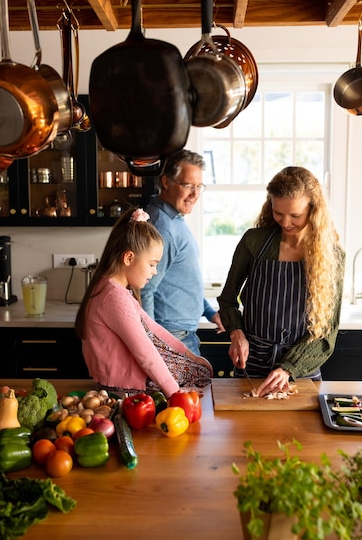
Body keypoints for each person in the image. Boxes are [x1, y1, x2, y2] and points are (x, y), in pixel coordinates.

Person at [217, 166, 345, 397]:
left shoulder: (331, 256)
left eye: (295, 215)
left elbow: (326, 332)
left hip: (301, 370)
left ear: (313, 210)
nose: (285, 222)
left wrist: (289, 368)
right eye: (278, 213)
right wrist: (236, 334)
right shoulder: (254, 242)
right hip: (251, 365)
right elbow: (227, 300)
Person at [75, 207, 212, 398]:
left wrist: (188, 354)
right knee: (201, 378)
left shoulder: (113, 288)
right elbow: (145, 353)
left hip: (123, 383)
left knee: (201, 372)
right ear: (129, 258)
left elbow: (153, 328)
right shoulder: (114, 297)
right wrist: (175, 393)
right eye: (152, 264)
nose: (154, 272)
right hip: (125, 390)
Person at [141, 149, 224, 354]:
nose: (195, 194)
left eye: (198, 186)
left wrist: (210, 312)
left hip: (180, 332)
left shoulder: (173, 219)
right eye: (188, 185)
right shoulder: (163, 227)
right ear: (166, 182)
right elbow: (145, 288)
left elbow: (183, 280)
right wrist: (153, 343)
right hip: (171, 336)